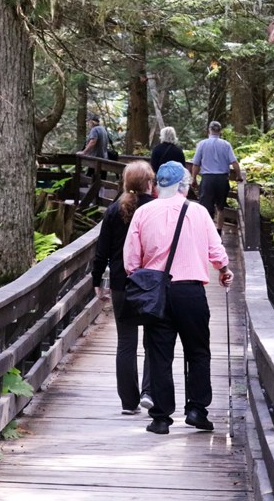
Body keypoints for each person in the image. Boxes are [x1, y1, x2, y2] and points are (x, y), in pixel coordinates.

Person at [124, 161, 234, 435]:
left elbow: (130, 261)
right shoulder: (198, 212)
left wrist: (144, 279)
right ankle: (197, 410)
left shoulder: (143, 213)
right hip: (190, 291)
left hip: (156, 293)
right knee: (197, 352)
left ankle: (161, 418)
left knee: (160, 355)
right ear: (184, 186)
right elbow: (216, 250)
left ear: (157, 184)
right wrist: (224, 270)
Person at [91, 161, 156, 415]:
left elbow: (102, 250)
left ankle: (129, 403)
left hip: (121, 284)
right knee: (154, 340)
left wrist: (97, 281)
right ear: (150, 182)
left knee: (126, 343)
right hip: (151, 284)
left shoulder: (114, 210)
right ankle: (149, 392)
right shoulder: (156, 209)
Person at [190, 120, 242, 233]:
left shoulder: (202, 144)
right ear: (220, 131)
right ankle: (218, 231)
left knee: (205, 206)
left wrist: (193, 178)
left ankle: (206, 231)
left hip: (208, 179)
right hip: (222, 179)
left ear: (209, 130)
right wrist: (238, 176)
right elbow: (234, 162)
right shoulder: (226, 145)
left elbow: (196, 164)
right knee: (221, 206)